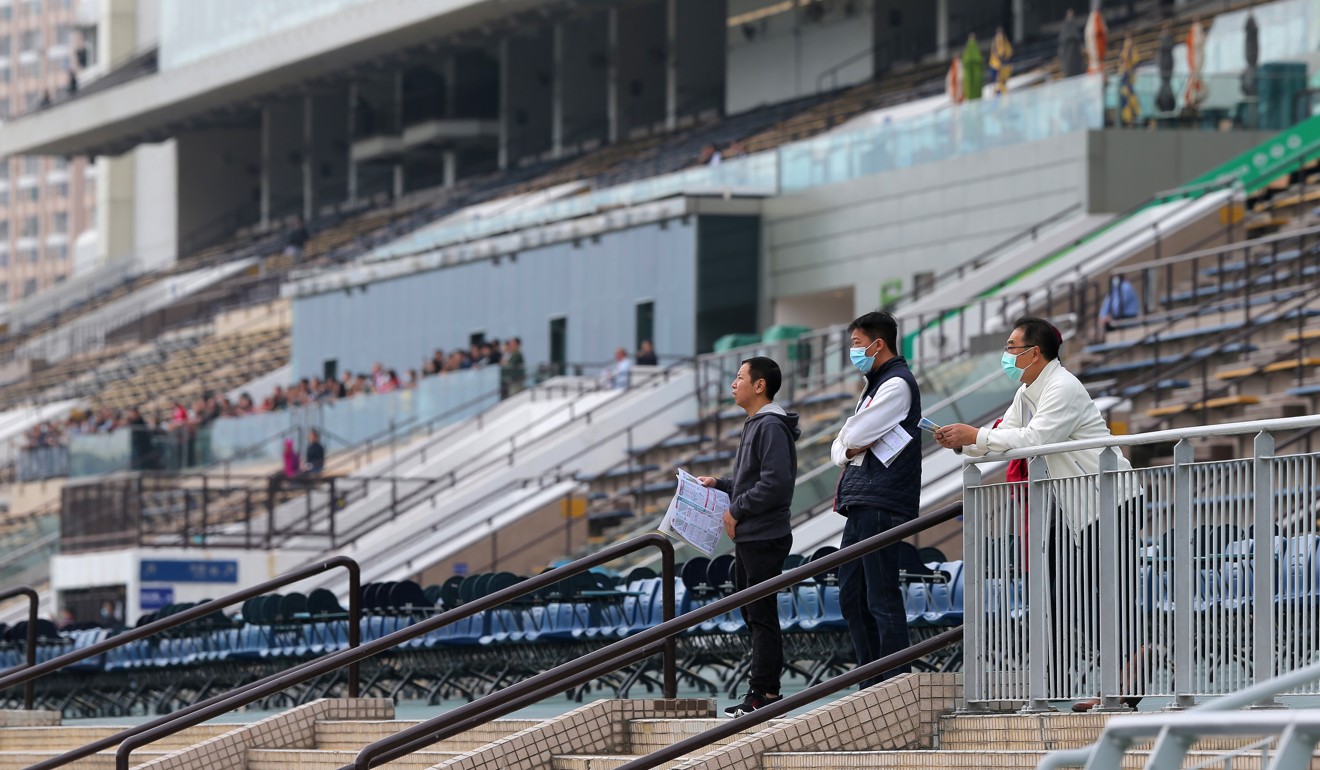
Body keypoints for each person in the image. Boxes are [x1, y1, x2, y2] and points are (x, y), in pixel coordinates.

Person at [933, 316, 1139, 712]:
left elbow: (1036, 440)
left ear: (1034, 352)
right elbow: (1002, 438)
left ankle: (1123, 686)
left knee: (1106, 595)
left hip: (1108, 501)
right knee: (1063, 594)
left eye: (1011, 348)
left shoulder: (1063, 387)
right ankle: (1072, 686)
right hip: (1071, 504)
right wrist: (963, 442)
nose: (1006, 356)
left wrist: (975, 436)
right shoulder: (1027, 391)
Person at [697, 356, 800, 717]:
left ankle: (764, 694)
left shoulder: (769, 425)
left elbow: (775, 484)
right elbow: (754, 480)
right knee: (754, 614)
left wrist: (737, 509)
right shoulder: (756, 423)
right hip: (752, 536)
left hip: (763, 535)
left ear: (760, 385)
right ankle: (763, 691)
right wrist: (721, 485)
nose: (733, 383)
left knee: (761, 615)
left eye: (740, 377)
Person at [830, 311, 923, 688]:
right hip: (862, 499)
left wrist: (848, 445)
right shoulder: (876, 384)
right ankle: (872, 678)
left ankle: (894, 681)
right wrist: (848, 445)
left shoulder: (897, 384)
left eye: (856, 344)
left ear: (877, 344)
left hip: (881, 500)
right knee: (851, 593)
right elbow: (844, 445)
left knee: (880, 594)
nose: (853, 352)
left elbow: (851, 438)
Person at [1059, 8, 1086, 79]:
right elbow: (1063, 39)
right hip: (1068, 52)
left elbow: (1077, 37)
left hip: (1075, 52)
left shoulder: (1074, 23)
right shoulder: (1064, 25)